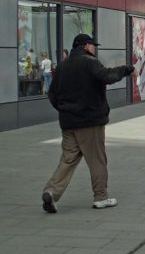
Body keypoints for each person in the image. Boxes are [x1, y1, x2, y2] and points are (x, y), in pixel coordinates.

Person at [42, 34, 137, 213]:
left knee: (68, 159)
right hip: (90, 121)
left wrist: (65, 110)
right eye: (93, 45)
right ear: (86, 46)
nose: (95, 48)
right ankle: (101, 197)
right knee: (97, 160)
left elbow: (52, 94)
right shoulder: (90, 62)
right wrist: (127, 69)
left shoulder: (63, 66)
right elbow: (107, 76)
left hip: (68, 123)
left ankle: (51, 192)